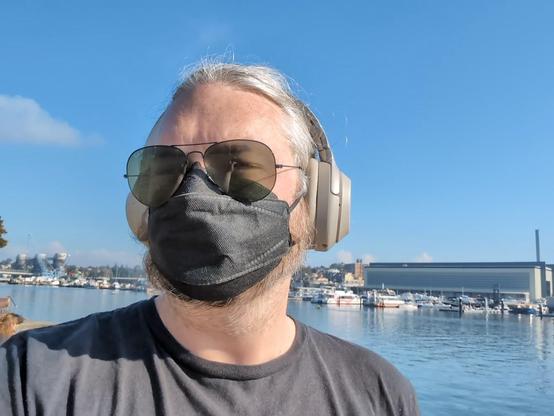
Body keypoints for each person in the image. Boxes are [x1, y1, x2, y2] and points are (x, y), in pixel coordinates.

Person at [0, 61, 419, 416]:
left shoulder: (379, 395)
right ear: (139, 212)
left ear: (317, 205)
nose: (192, 191)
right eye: (165, 169)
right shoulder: (29, 376)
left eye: (240, 163)